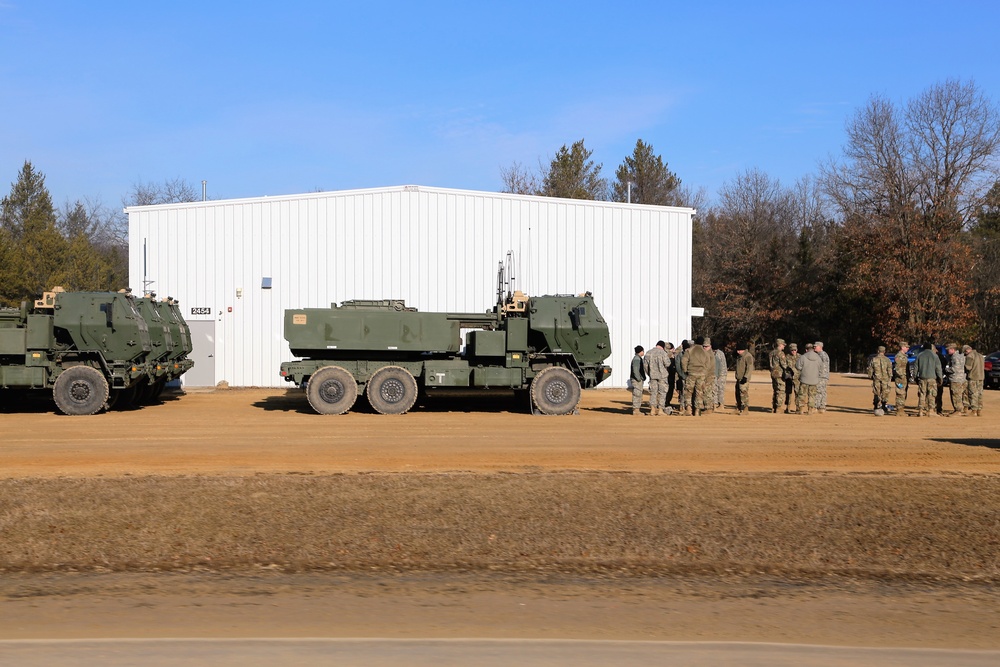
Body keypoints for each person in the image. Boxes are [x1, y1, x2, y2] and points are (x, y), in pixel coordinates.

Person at [681, 336, 714, 416]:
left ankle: (689, 408)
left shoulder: (690, 350)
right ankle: (697, 410)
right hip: (701, 374)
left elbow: (683, 361)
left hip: (691, 373)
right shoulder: (705, 352)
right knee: (699, 392)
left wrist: (685, 370)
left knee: (688, 392)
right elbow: (708, 364)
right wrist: (704, 372)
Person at [644, 340, 671, 416]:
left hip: (652, 376)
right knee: (662, 393)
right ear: (663, 347)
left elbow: (645, 366)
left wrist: (649, 373)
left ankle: (652, 410)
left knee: (653, 393)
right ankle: (660, 410)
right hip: (662, 376)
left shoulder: (648, 353)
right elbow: (667, 364)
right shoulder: (663, 353)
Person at [915, 342, 943, 417]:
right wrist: (940, 378)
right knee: (931, 394)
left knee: (922, 394)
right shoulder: (935, 356)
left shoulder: (919, 355)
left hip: (922, 378)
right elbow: (938, 368)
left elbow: (916, 368)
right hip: (932, 378)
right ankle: (930, 410)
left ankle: (921, 410)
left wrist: (915, 377)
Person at [796, 342, 822, 414]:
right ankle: (810, 410)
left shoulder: (803, 357)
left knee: (802, 395)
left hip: (804, 379)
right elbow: (821, 368)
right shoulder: (818, 357)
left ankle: (801, 410)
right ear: (813, 349)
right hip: (814, 380)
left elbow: (798, 366)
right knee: (812, 395)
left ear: (806, 350)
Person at [867, 345, 893, 414]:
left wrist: (870, 376)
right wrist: (890, 377)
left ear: (878, 351)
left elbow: (870, 369)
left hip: (877, 378)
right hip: (885, 379)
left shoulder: (874, 359)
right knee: (885, 392)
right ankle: (883, 405)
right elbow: (890, 370)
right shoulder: (887, 360)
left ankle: (876, 406)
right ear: (884, 351)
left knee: (876, 392)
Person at [944, 343, 967, 417]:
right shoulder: (962, 356)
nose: (947, 351)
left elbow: (954, 369)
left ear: (952, 349)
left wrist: (946, 370)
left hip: (955, 379)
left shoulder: (954, 357)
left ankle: (958, 410)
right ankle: (960, 409)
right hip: (962, 378)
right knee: (960, 395)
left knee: (955, 395)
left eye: (948, 350)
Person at [963, 344, 985, 416]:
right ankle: (979, 410)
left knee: (973, 393)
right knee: (980, 393)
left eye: (965, 353)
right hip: (981, 377)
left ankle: (974, 410)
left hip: (973, 377)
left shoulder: (970, 356)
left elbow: (968, 367)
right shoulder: (981, 356)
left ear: (966, 351)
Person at [769, 339, 788, 414]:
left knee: (775, 390)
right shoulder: (780, 353)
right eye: (783, 345)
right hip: (779, 374)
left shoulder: (771, 353)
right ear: (780, 345)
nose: (784, 347)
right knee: (781, 390)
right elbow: (784, 364)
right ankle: (778, 407)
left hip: (773, 373)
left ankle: (774, 407)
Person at [734, 343, 753, 415]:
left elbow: (750, 368)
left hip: (744, 378)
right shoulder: (739, 356)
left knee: (744, 393)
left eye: (740, 350)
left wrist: (746, 377)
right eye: (737, 350)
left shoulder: (748, 356)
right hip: (738, 378)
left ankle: (745, 408)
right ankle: (738, 408)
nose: (738, 352)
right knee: (737, 393)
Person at [893, 342, 910, 416]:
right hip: (900, 378)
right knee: (900, 393)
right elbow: (897, 368)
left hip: (904, 378)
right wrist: (902, 376)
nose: (908, 348)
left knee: (903, 393)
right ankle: (899, 410)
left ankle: (901, 409)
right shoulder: (899, 356)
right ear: (902, 347)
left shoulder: (904, 356)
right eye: (906, 347)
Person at [814, 341, 830, 413]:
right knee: (823, 391)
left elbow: (818, 365)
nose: (814, 347)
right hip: (824, 376)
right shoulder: (824, 354)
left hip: (821, 376)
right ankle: (822, 407)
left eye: (815, 346)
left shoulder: (821, 355)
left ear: (820, 347)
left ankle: (816, 406)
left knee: (818, 391)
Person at [630, 345, 646, 416]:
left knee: (639, 393)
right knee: (637, 394)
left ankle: (637, 409)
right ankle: (636, 410)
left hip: (638, 379)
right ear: (640, 351)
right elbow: (635, 370)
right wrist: (638, 378)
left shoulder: (638, 358)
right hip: (637, 380)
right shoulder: (637, 359)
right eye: (643, 351)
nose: (643, 352)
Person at [784, 343, 800, 413]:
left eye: (795, 350)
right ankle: (788, 407)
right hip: (789, 377)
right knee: (788, 393)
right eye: (792, 350)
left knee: (798, 393)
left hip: (798, 378)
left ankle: (798, 407)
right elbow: (786, 366)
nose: (793, 351)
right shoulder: (787, 357)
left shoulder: (800, 357)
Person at [676, 340, 690, 414]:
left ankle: (688, 406)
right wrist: (682, 375)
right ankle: (682, 406)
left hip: (691, 376)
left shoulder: (690, 354)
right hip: (683, 376)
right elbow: (678, 367)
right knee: (683, 392)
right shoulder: (680, 355)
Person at [713, 343, 727, 411]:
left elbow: (719, 366)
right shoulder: (721, 353)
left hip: (720, 374)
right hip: (721, 374)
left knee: (718, 389)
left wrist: (717, 375)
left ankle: (719, 404)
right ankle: (719, 404)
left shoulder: (718, 354)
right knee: (719, 390)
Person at [664, 342, 677, 408]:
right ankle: (666, 403)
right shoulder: (669, 356)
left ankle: (666, 402)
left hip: (667, 376)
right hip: (669, 376)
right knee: (668, 390)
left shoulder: (664, 355)